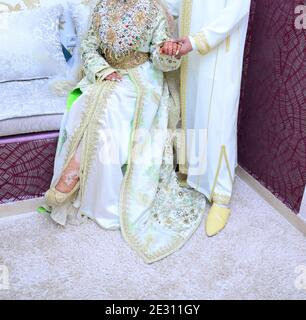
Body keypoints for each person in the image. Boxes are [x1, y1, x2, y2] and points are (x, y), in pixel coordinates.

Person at [44, 0, 206, 264]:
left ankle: (75, 172)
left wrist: (168, 52)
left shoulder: (153, 10)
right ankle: (76, 172)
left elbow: (160, 56)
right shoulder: (101, 8)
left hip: (142, 77)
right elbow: (88, 48)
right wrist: (104, 70)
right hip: (109, 75)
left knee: (112, 109)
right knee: (83, 106)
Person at [162, 0, 251, 236]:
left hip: (220, 47)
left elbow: (237, 9)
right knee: (192, 106)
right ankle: (192, 171)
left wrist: (197, 40)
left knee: (219, 118)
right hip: (190, 46)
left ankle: (221, 196)